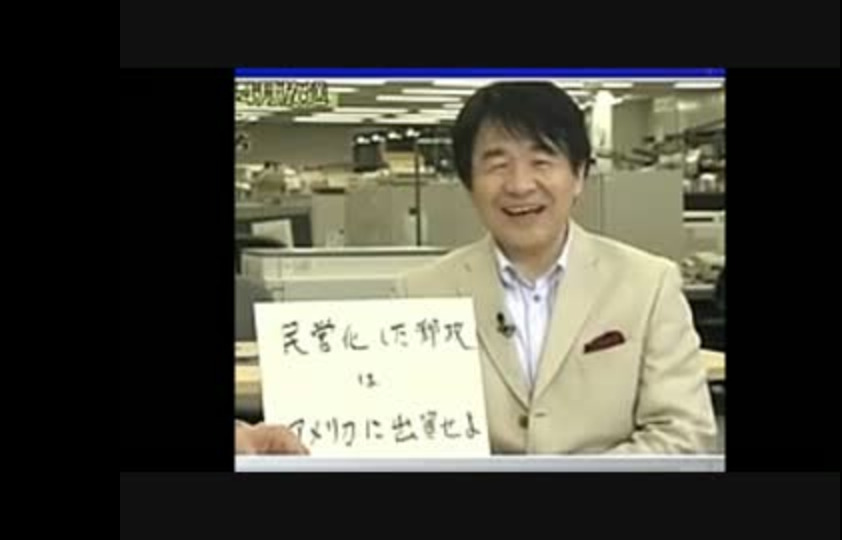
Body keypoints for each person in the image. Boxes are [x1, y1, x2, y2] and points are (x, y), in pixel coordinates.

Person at [238, 81, 716, 454]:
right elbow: (389, 432)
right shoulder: (418, 293)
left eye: (542, 161)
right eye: (497, 164)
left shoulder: (648, 284)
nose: (520, 184)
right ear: (468, 183)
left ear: (579, 175)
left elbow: (683, 433)